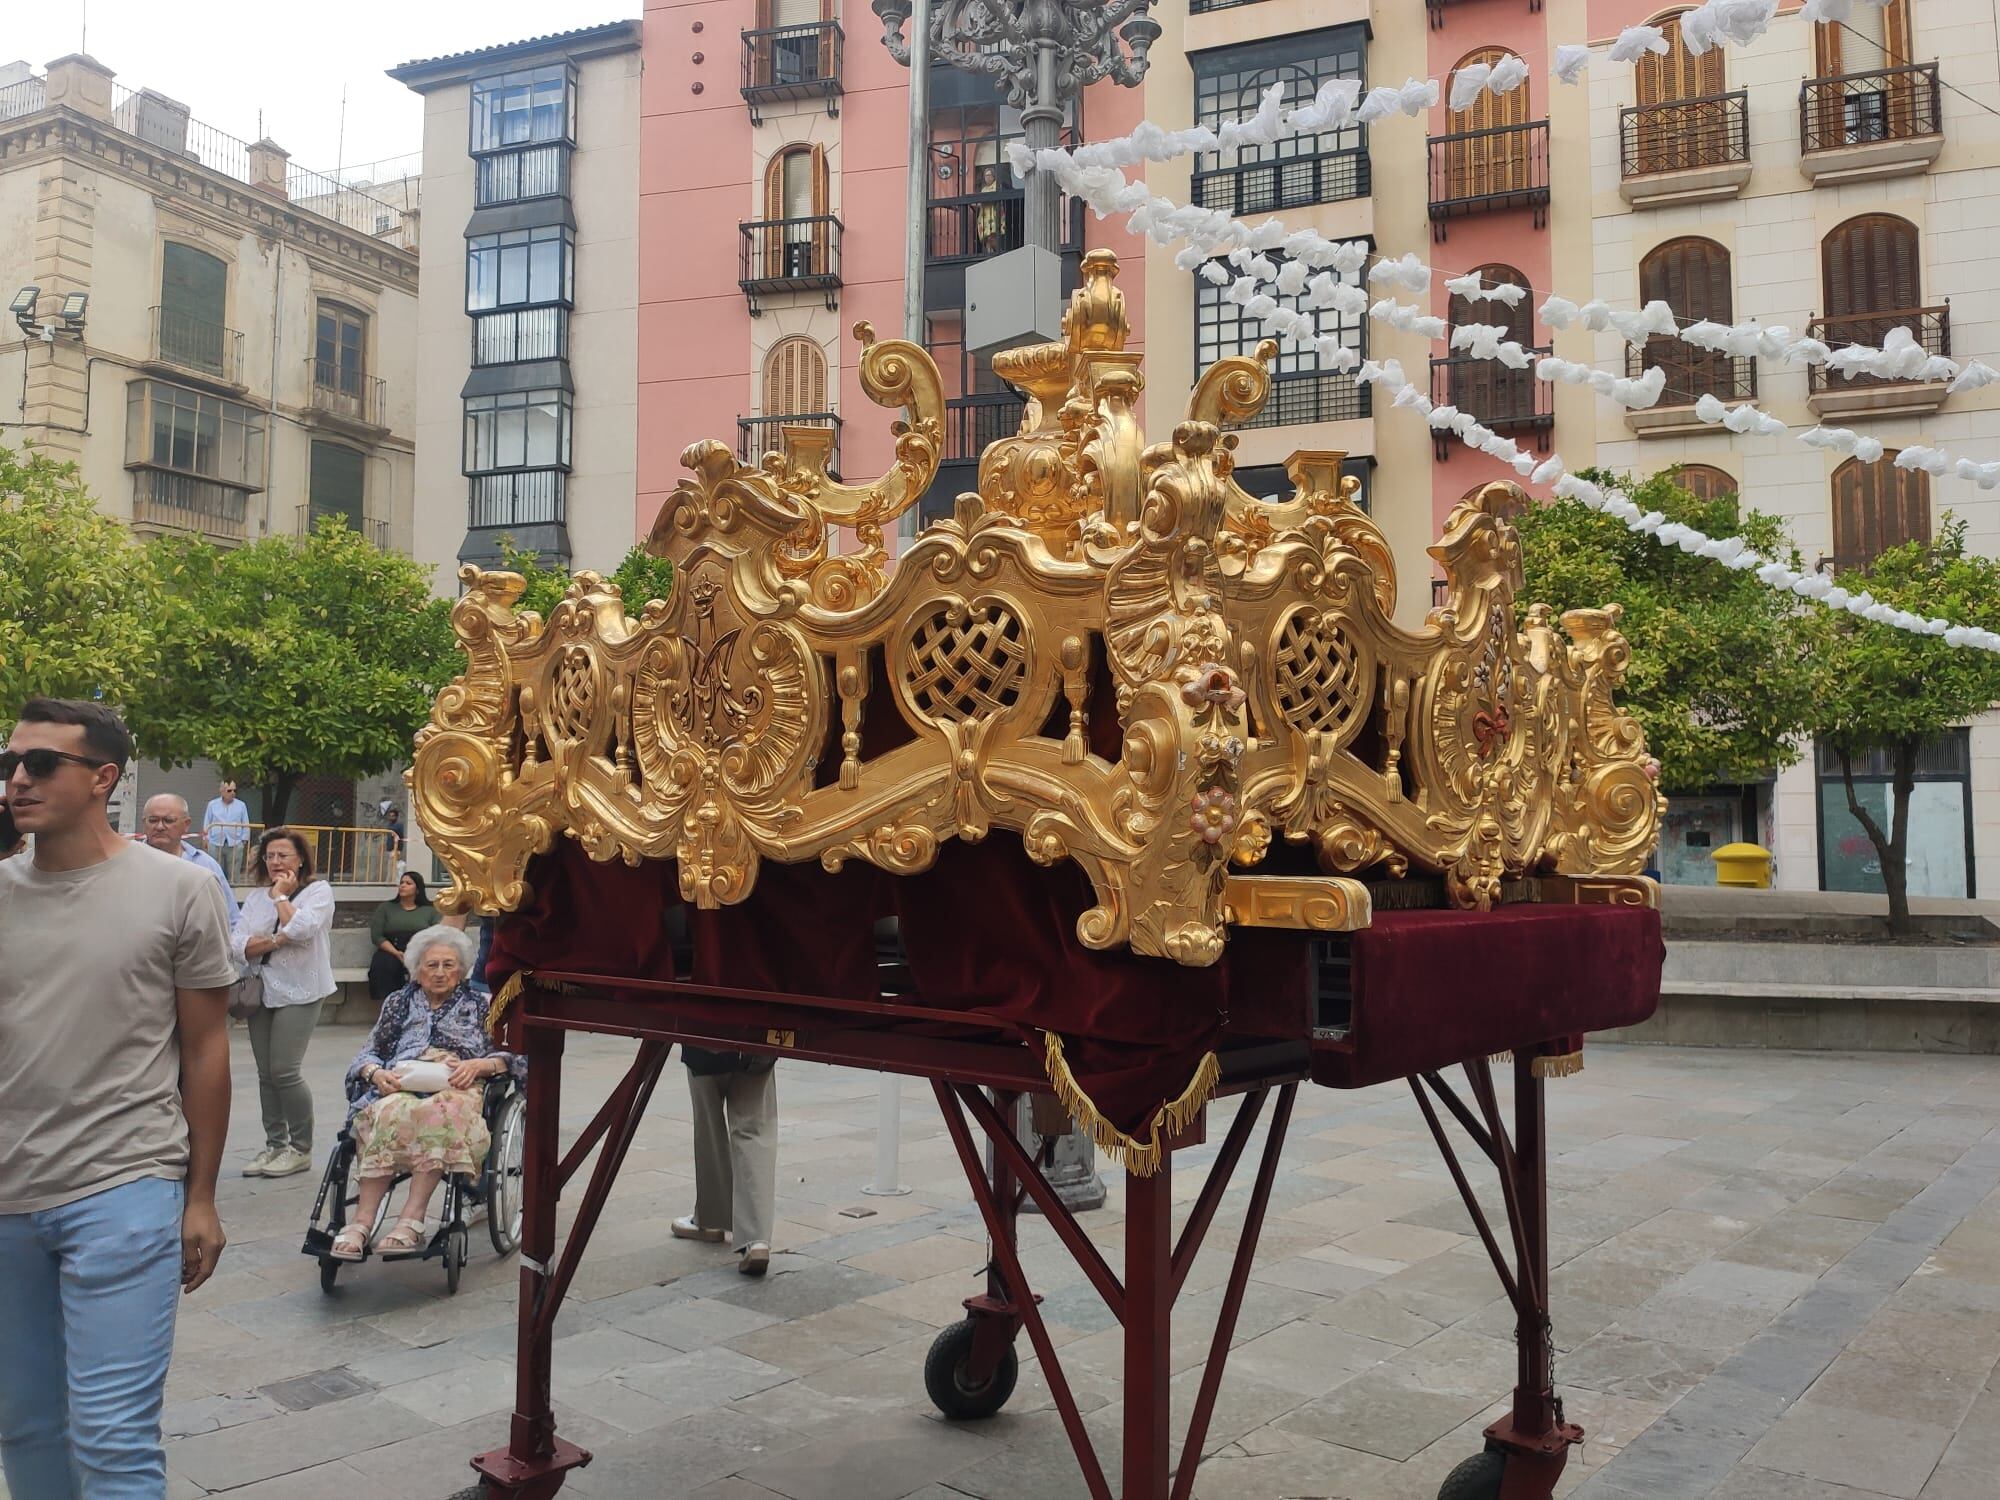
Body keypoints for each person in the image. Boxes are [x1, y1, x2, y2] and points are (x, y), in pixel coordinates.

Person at [0, 699, 235, 1499]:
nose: (17, 779)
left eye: (39, 764)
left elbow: (205, 1049)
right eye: (10, 763)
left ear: (104, 778)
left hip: (125, 1185)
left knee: (111, 1438)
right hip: (7, 1197)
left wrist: (200, 1197)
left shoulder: (178, 890)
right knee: (25, 1428)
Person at [334, 925, 522, 1259]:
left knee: (439, 1115)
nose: (439, 972)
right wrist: (374, 1073)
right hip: (402, 1081)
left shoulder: (481, 1006)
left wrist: (481, 1066)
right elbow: (368, 1052)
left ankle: (411, 1220)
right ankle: (361, 1223)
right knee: (387, 1113)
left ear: (462, 971)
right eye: (431, 965)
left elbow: (514, 1055)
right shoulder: (399, 1002)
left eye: (449, 965)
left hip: (457, 1084)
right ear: (416, 970)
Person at [231, 828, 336, 1178]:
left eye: (283, 856)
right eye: (270, 856)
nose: (275, 862)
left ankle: (300, 1148)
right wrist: (276, 940)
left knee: (285, 1071)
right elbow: (238, 943)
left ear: (300, 859)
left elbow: (303, 929)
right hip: (262, 989)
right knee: (265, 1073)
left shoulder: (318, 891)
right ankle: (274, 1144)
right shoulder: (256, 897)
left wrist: (281, 898)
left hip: (302, 989)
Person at [672, 1048, 777, 1276]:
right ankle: (756, 1238)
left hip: (705, 1039)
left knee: (709, 1125)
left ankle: (710, 1219)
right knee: (754, 1128)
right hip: (757, 1039)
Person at [140, 793, 237, 928]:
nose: (160, 826)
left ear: (186, 825)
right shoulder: (128, 862)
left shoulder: (205, 865)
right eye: (153, 820)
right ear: (144, 823)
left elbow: (231, 919)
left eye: (168, 820)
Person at [367, 870, 440, 1001]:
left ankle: (423, 1008)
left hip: (421, 949)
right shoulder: (386, 908)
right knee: (383, 968)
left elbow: (437, 934)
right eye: (401, 883)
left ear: (417, 889)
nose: (402, 886)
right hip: (391, 948)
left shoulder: (429, 910)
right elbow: (376, 935)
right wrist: (396, 953)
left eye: (408, 883)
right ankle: (390, 1007)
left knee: (428, 968)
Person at [201, 779, 250, 882]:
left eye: (234, 790)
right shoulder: (212, 804)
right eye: (229, 791)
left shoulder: (241, 805)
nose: (232, 793)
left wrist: (244, 840)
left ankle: (233, 895)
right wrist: (206, 839)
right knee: (214, 871)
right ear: (222, 791)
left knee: (234, 874)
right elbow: (207, 822)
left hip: (235, 842)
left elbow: (246, 823)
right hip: (215, 841)